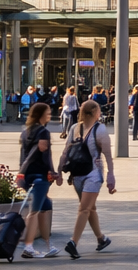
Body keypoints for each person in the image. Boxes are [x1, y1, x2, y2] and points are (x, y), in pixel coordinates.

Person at [62, 99, 115, 259]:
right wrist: (110, 175)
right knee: (86, 208)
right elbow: (107, 155)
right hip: (93, 174)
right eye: (99, 110)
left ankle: (101, 239)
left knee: (89, 207)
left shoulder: (74, 128)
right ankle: (73, 242)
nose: (100, 113)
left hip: (77, 174)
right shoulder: (100, 129)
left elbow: (65, 151)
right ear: (95, 113)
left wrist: (59, 170)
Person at [16, 102, 61, 258]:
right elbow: (44, 155)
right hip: (39, 177)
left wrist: (21, 173)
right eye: (47, 113)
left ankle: (48, 245)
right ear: (40, 115)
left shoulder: (25, 132)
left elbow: (23, 156)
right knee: (34, 211)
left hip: (28, 175)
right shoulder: (43, 132)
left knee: (45, 206)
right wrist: (53, 172)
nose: (49, 115)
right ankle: (28, 246)